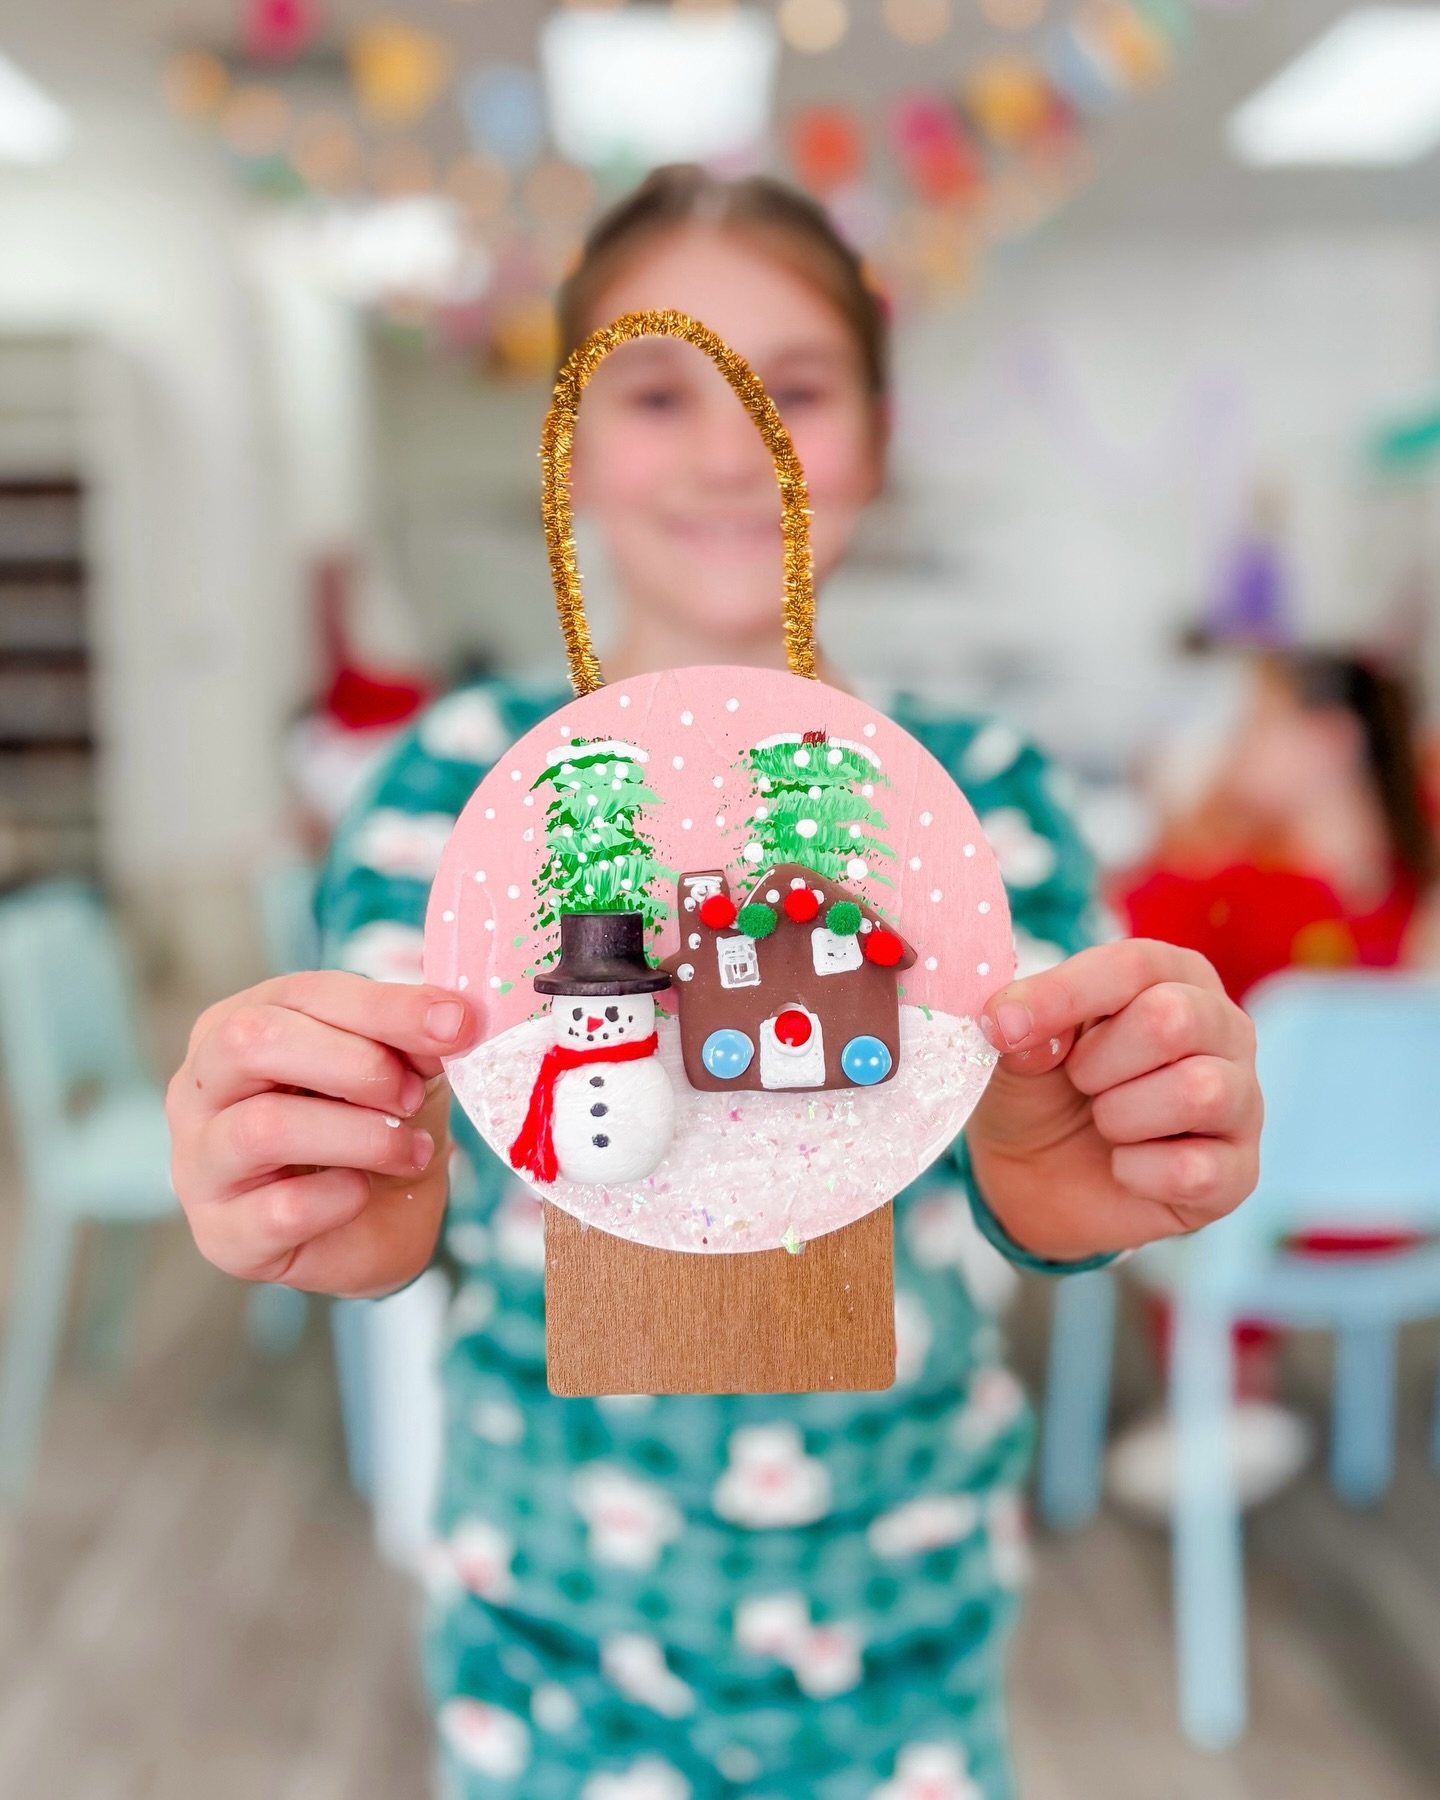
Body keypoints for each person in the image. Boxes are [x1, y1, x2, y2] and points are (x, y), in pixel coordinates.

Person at [166, 168, 1261, 1799]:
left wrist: (1081, 1182)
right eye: (657, 391)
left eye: (794, 388)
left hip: (907, 1630)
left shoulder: (983, 800)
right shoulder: (453, 794)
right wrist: (339, 1190)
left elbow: (1037, 1168)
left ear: (877, 436)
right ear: (569, 444)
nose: (732, 445)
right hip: (550, 1638)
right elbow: (413, 1175)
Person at [1108, 647, 1436, 1518]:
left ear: (1329, 740)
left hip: (1255, 1224)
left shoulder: (1228, 888)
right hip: (1403, 1218)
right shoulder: (1409, 884)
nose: (1234, 745)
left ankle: (1230, 1397)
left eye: (1255, 724)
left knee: (1171, 1141)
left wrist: (1184, 822)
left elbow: (1111, 939)